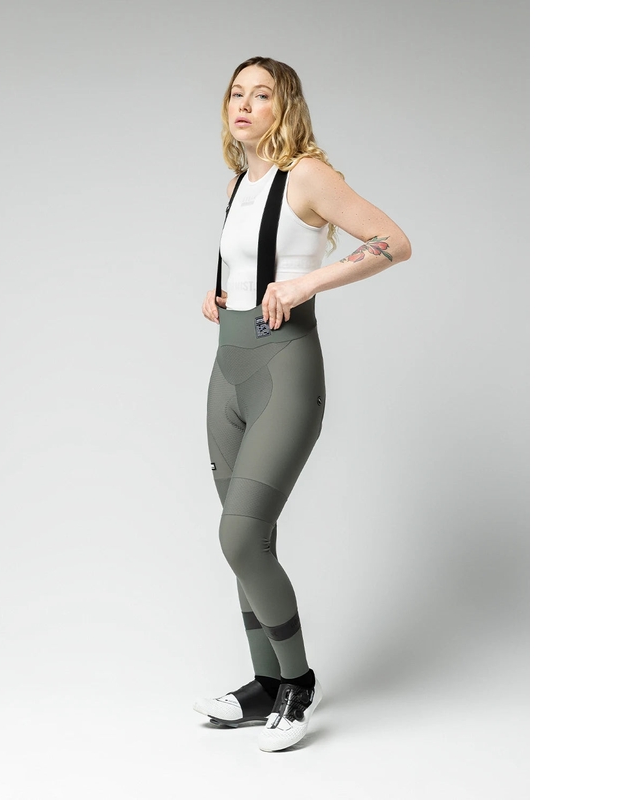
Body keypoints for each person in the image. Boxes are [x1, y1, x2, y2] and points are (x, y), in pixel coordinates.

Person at [194, 56, 412, 752]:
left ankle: (298, 682)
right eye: (236, 93)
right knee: (247, 542)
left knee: (239, 536)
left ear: (284, 107)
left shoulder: (308, 176)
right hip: (227, 372)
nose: (244, 104)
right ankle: (264, 685)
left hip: (283, 370)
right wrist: (219, 294)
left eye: (261, 95)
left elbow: (393, 241)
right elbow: (251, 265)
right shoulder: (241, 180)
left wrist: (306, 284)